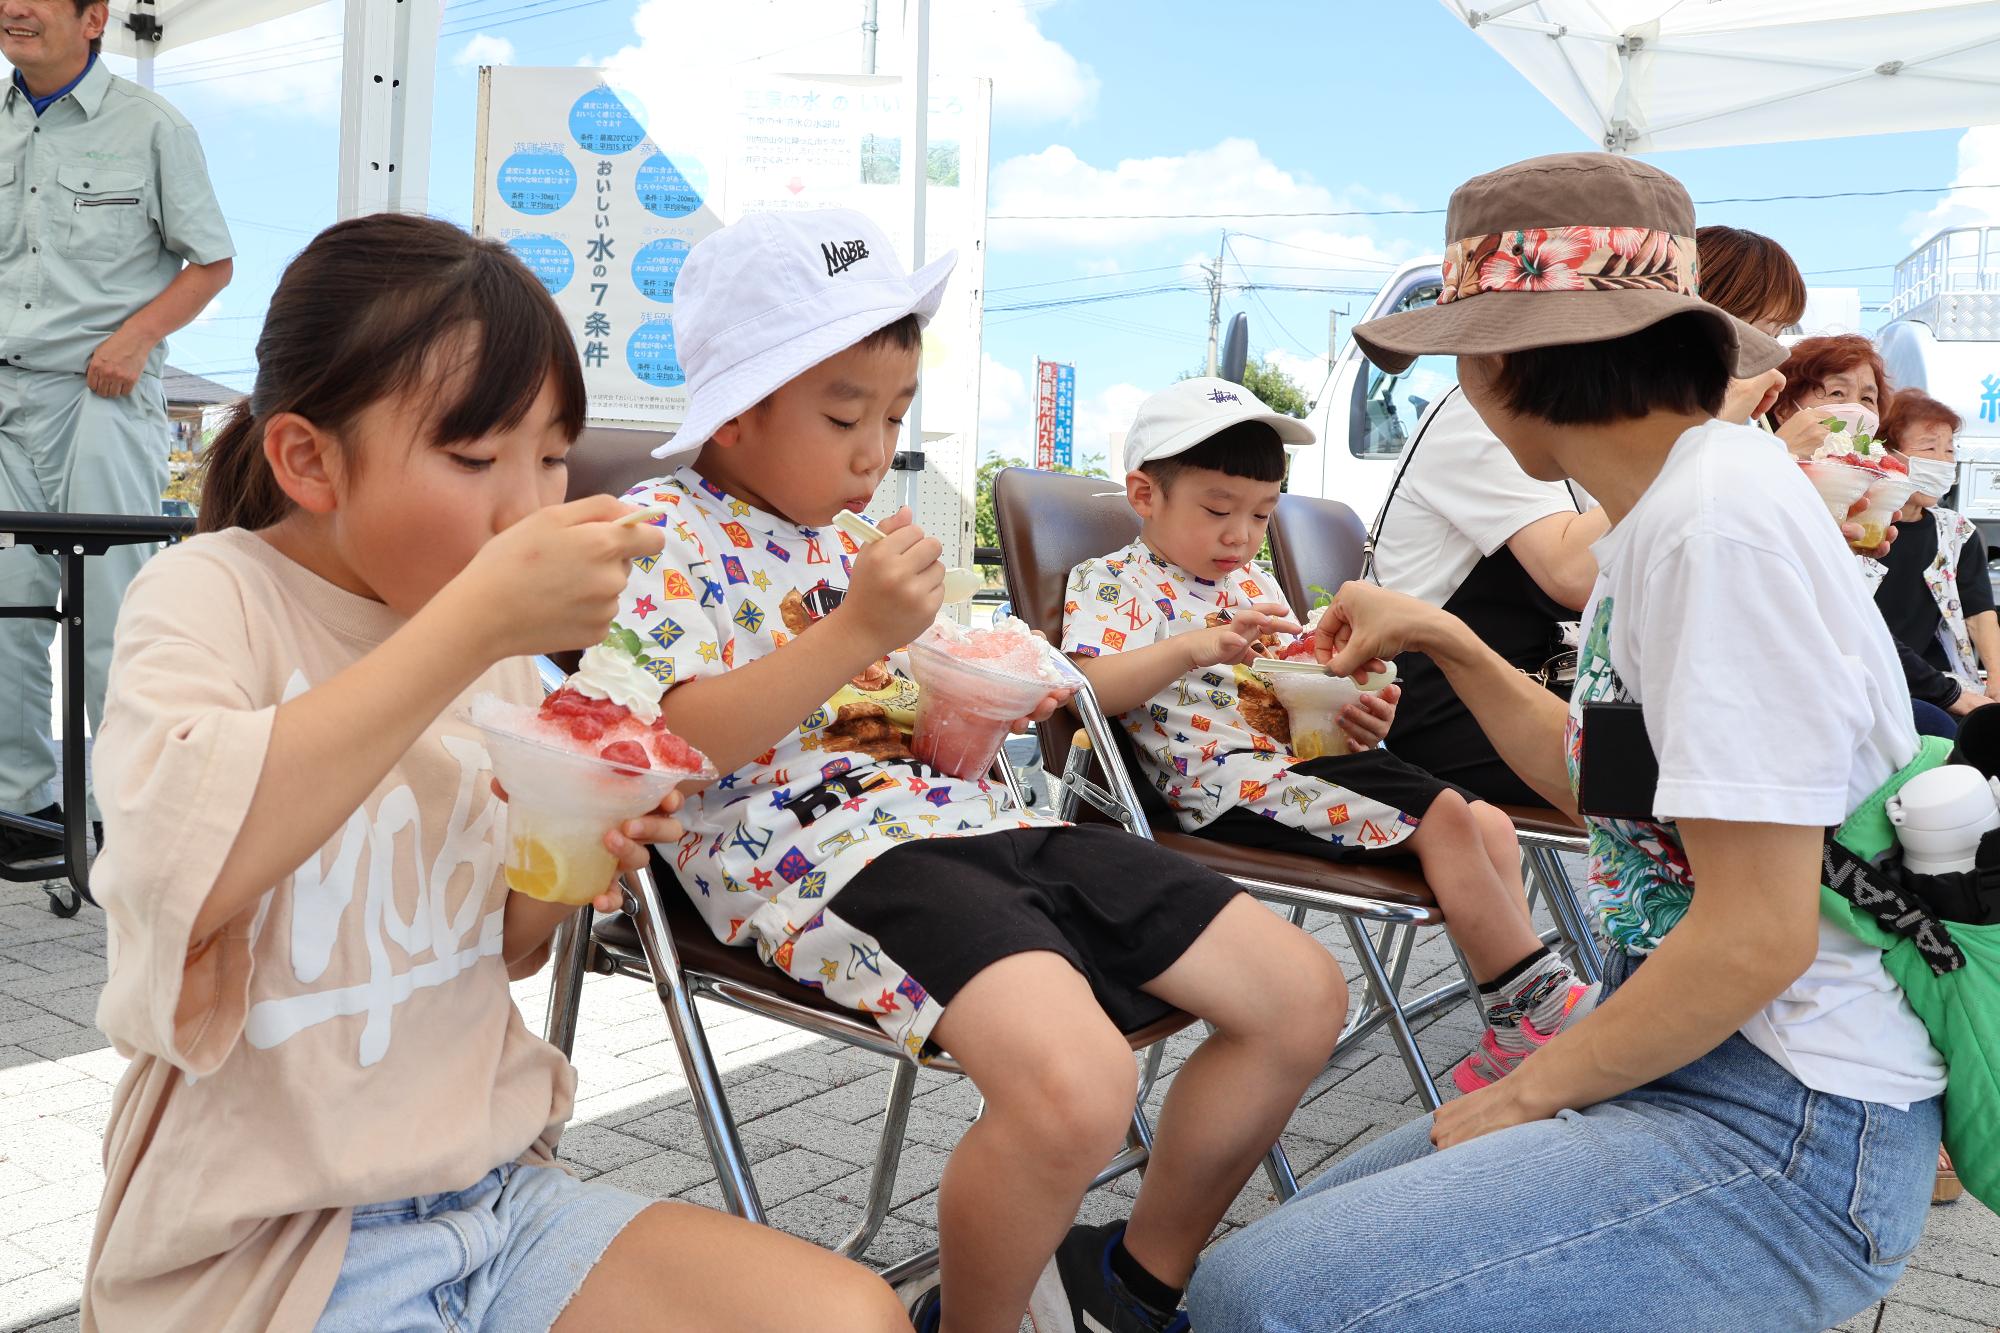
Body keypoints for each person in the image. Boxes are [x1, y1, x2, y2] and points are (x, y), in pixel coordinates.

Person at [80, 215, 907, 1332]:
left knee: (847, 1314)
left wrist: (577, 844)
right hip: (267, 1238)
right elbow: (186, 866)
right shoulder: (210, 598)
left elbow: (504, 952)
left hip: (492, 1201)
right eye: (474, 459)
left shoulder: (503, 662)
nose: (528, 505)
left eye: (554, 454)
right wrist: (473, 625)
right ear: (307, 459)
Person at [1187, 152, 1945, 1332]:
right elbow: (1609, 785)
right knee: (1258, 1275)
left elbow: (1756, 933)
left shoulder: (1712, 530)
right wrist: (1450, 638)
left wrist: (1527, 1089)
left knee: (1262, 1299)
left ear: (1495, 363)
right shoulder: (1675, 511)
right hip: (1701, 1060)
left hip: (1787, 1121)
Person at [608, 208, 1346, 1333]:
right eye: (843, 413)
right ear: (735, 409)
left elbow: (912, 708)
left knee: (1299, 995)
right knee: (1077, 1087)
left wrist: (970, 694)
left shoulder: (854, 541)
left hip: (969, 814)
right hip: (798, 850)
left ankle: (1125, 1286)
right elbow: (673, 748)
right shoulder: (655, 533)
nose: (875, 448)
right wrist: (855, 633)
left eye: (894, 414)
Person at [1062, 377, 1597, 1095]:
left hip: (1294, 770)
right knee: (1443, 816)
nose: (1241, 536)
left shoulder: (1252, 585)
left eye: (1261, 515)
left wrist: (1352, 714)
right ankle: (1541, 1006)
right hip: (1216, 785)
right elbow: (1086, 688)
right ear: (1144, 494)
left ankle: (1512, 1024)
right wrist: (1195, 647)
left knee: (1491, 824)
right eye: (1218, 510)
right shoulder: (1110, 581)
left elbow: (1295, 701)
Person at [1367, 225, 1806, 807]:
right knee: (1694, 778)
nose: (1771, 365)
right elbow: (1574, 574)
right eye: (1759, 334)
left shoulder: (1583, 422)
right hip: (1440, 701)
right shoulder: (1486, 417)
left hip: (1538, 682)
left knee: (1724, 761)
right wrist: (1704, 432)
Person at [0, 0, 235, 863]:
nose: (14, 10)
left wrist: (136, 339)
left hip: (99, 398)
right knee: (6, 610)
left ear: (95, 17)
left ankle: (128, 817)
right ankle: (19, 813)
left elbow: (212, 260)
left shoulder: (153, 127)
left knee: (113, 615)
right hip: (3, 403)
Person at [1775, 336, 1983, 732]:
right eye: (1836, 392)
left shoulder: (1871, 513)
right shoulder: (1757, 479)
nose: (1853, 411)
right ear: (1784, 406)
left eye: (1868, 399)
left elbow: (1856, 620)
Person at [1874, 389, 1998, 703]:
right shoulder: (1862, 526)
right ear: (1888, 453)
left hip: (1940, 681)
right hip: (1875, 677)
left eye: (1949, 450)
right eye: (1930, 448)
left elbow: (1979, 614)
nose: (1943, 462)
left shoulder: (1955, 533)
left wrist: (1996, 681)